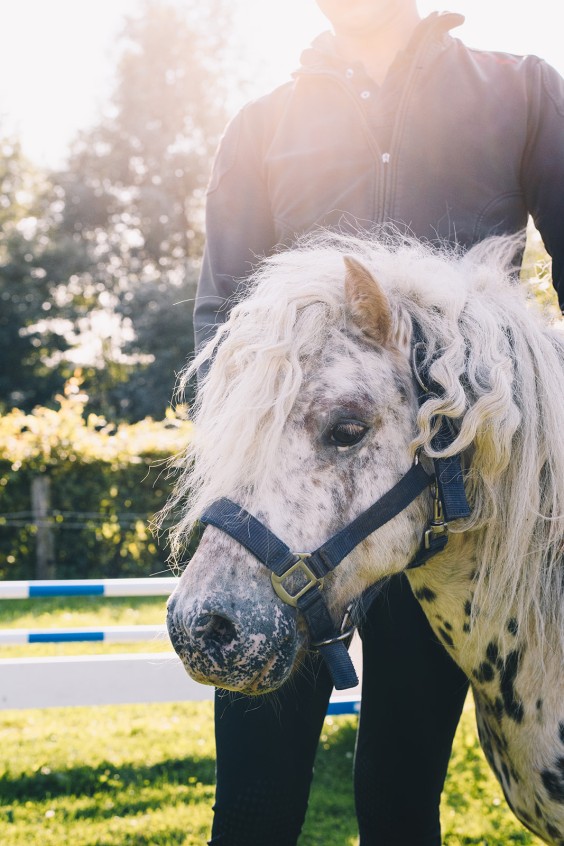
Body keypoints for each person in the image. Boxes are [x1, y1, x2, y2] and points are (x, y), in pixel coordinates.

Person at [193, 3, 564, 844]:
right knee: (252, 813)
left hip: (450, 522)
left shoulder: (524, 92)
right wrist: (247, 467)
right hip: (291, 515)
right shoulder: (261, 127)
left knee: (398, 807)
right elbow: (221, 319)